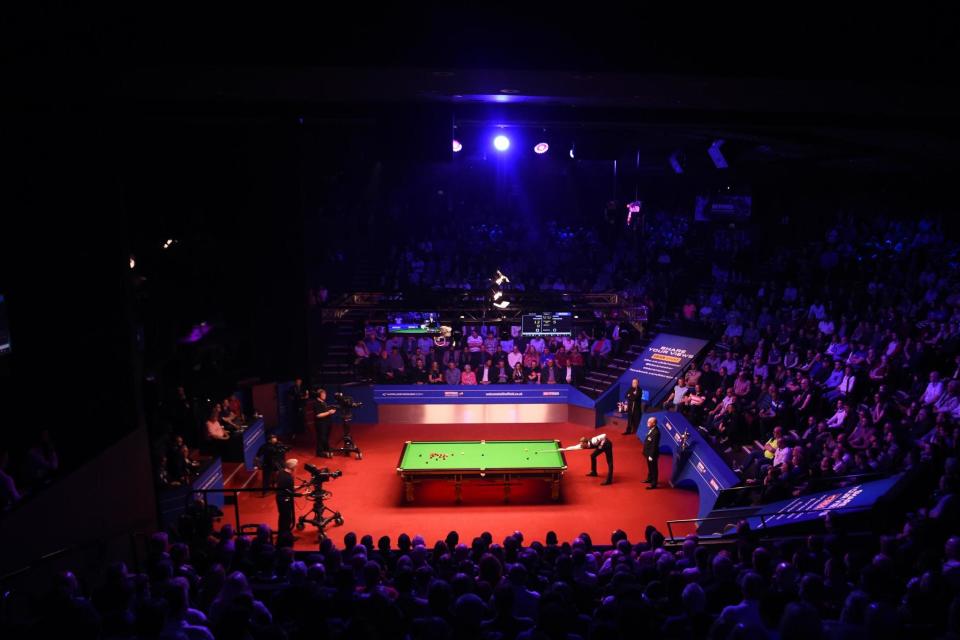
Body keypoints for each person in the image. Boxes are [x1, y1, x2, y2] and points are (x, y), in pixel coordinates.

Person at [276, 458, 298, 534]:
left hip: (279, 499)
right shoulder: (289, 478)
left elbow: (287, 488)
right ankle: (286, 535)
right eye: (296, 466)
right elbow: (291, 491)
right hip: (285, 501)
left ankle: (281, 533)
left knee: (282, 518)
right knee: (287, 519)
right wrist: (303, 494)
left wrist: (298, 486)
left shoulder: (281, 472)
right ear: (293, 468)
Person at [314, 389, 337, 458]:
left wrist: (331, 410)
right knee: (321, 438)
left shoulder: (323, 402)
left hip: (327, 423)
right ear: (319, 395)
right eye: (323, 394)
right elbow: (318, 415)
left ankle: (326, 448)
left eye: (325, 394)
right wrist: (329, 412)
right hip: (321, 424)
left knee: (326, 437)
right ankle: (319, 452)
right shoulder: (316, 403)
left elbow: (325, 411)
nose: (325, 395)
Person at [643, 417, 661, 489]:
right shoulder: (651, 429)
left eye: (649, 422)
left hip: (652, 454)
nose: (647, 423)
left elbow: (654, 445)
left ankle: (654, 484)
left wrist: (651, 455)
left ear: (654, 423)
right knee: (650, 467)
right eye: (648, 421)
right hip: (648, 453)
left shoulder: (656, 432)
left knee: (654, 469)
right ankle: (649, 479)